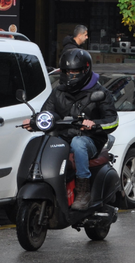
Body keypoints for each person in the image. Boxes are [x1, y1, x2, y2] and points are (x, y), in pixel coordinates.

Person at [23, 49, 118, 210]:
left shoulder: (100, 93)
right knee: (41, 141)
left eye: (75, 71)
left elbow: (113, 121)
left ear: (85, 70)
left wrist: (94, 124)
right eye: (67, 71)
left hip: (90, 139)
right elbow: (47, 112)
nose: (70, 74)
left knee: (78, 143)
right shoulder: (58, 91)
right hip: (63, 136)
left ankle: (83, 191)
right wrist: (34, 122)